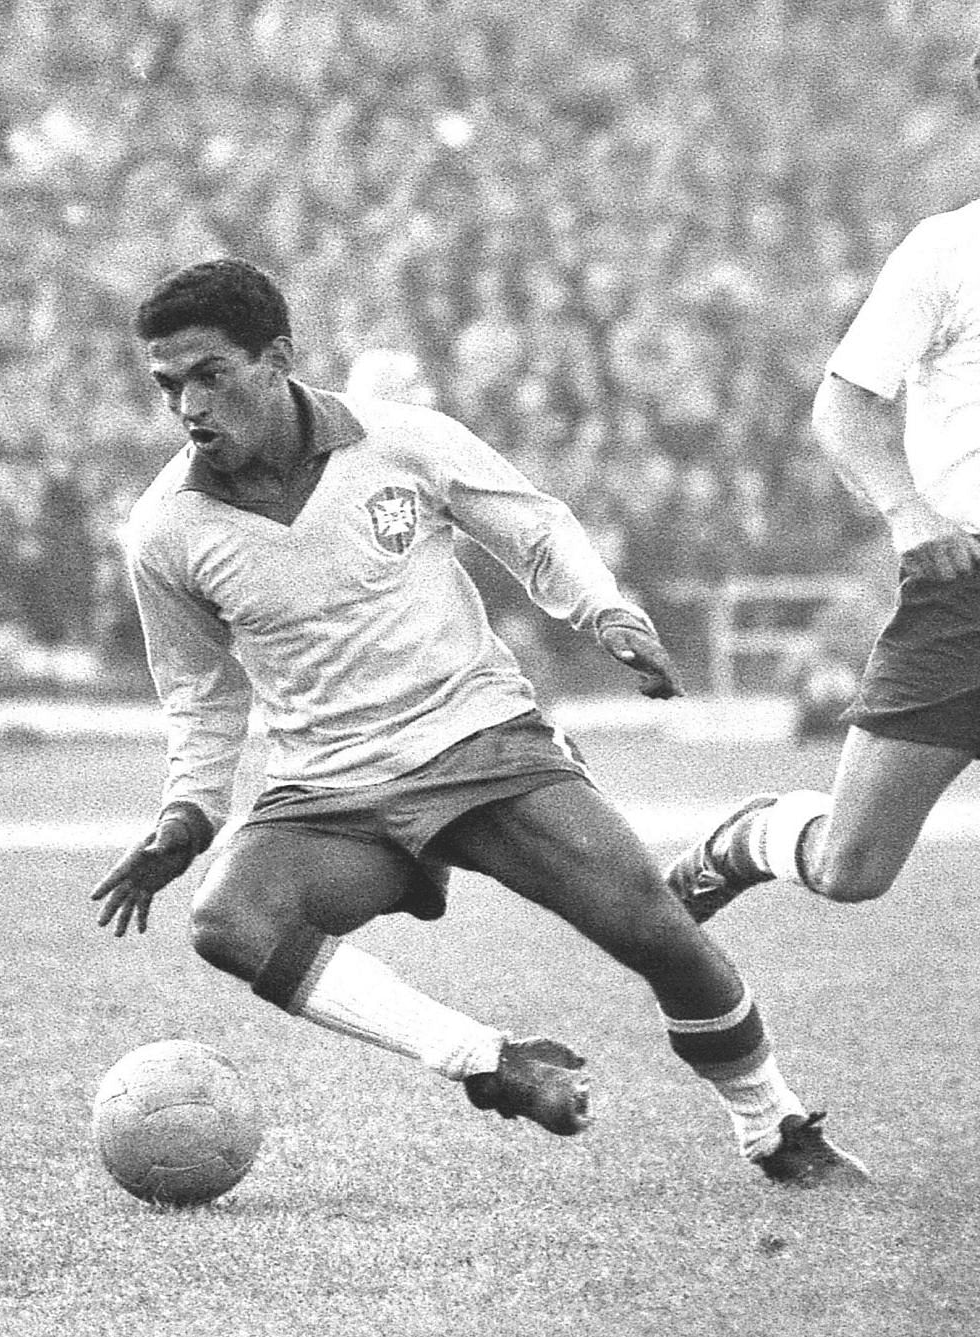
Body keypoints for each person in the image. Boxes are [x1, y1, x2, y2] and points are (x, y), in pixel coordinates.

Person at [89, 258, 865, 1186]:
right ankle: (489, 1060)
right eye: (168, 385)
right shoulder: (164, 530)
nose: (188, 406)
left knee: (656, 931)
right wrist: (187, 815)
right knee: (229, 918)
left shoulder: (403, 440)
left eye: (209, 373)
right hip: (328, 789)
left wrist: (605, 613)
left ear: (278, 359)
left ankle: (772, 1123)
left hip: (480, 743)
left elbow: (534, 528)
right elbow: (203, 697)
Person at [668, 92, 980, 920]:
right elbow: (841, 407)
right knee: (854, 865)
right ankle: (756, 837)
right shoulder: (947, 251)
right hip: (967, 590)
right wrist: (910, 514)